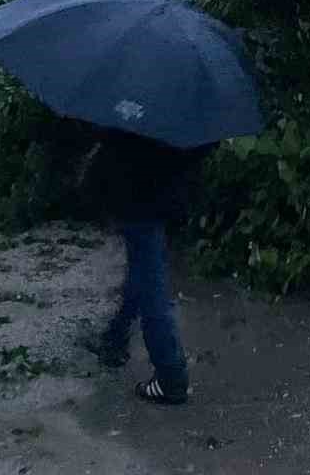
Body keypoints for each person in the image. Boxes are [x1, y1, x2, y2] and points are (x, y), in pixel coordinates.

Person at [79, 127, 216, 406]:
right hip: (164, 190)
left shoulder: (135, 92)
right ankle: (115, 338)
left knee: (152, 282)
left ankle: (170, 377)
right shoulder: (189, 99)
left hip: (137, 193)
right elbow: (203, 145)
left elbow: (112, 133)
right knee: (143, 267)